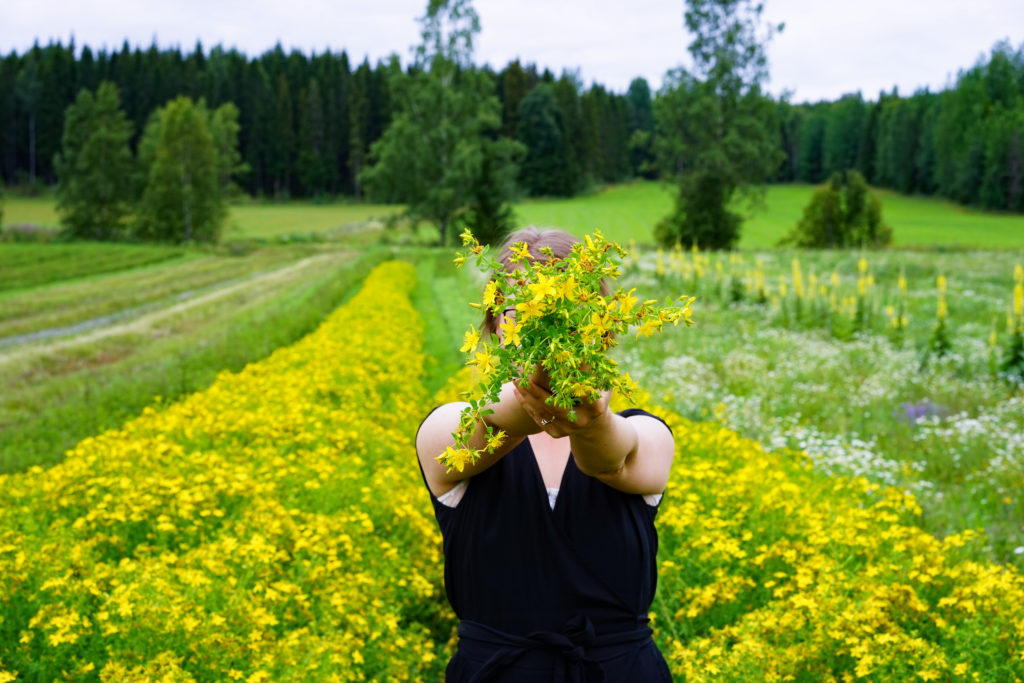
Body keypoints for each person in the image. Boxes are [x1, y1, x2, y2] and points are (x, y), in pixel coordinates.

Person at [416, 227, 676, 682]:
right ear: (495, 325)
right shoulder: (448, 429)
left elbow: (607, 459)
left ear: (598, 328)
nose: (540, 327)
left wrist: (592, 418)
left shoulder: (647, 435)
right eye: (523, 313)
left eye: (564, 314)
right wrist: (538, 389)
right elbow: (497, 416)